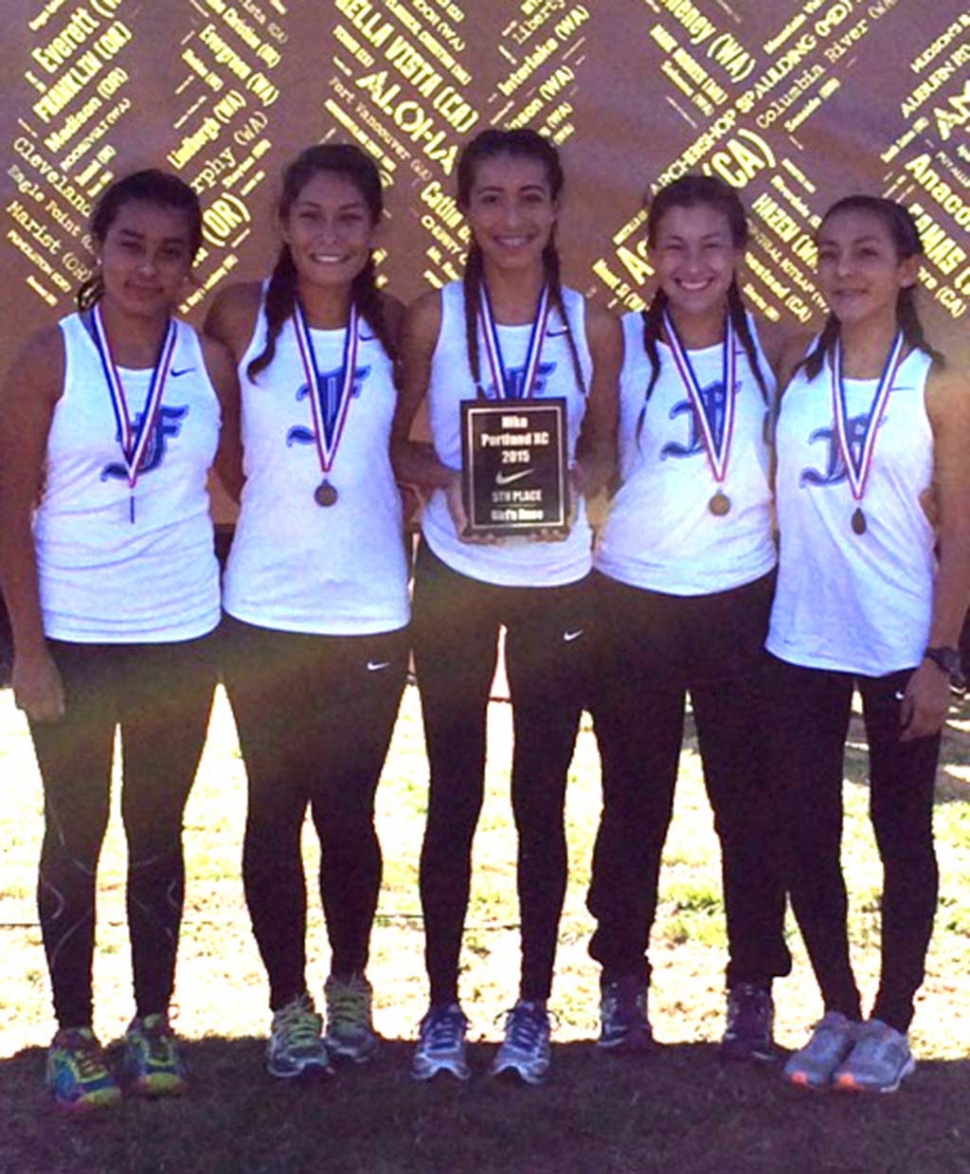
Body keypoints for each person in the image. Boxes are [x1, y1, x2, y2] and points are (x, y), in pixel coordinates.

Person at [0, 170, 238, 1111]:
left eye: (170, 251)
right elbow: (8, 510)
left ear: (190, 265)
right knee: (73, 828)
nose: (148, 266)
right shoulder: (48, 358)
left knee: (158, 830)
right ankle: (70, 1029)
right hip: (74, 631)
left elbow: (245, 477)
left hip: (182, 629)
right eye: (130, 244)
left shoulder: (206, 360)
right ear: (98, 248)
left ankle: (151, 1021)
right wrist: (29, 650)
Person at [392, 128, 620, 1084]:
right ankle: (442, 1003)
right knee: (453, 790)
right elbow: (398, 449)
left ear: (557, 208)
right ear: (466, 209)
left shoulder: (591, 322)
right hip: (454, 576)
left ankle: (531, 1003)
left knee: (540, 796)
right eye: (491, 198)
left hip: (556, 583)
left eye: (531, 198)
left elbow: (609, 455)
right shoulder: (435, 317)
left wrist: (576, 485)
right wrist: (450, 481)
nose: (512, 217)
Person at [205, 144, 409, 1080]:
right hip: (263, 607)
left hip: (369, 607)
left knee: (350, 811)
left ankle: (351, 982)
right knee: (274, 805)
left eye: (350, 219)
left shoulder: (399, 327)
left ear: (375, 231)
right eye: (313, 217)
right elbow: (207, 441)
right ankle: (288, 1001)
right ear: (282, 223)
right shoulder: (240, 316)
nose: (331, 236)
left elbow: (410, 452)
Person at [586, 175, 792, 1061]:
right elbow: (589, 456)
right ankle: (621, 981)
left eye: (712, 246)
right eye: (675, 246)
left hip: (743, 597)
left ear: (740, 254)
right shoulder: (619, 344)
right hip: (630, 596)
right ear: (650, 254)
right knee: (634, 801)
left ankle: (753, 987)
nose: (694, 263)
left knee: (748, 805)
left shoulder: (773, 344)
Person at [770, 196, 970, 1093]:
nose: (845, 270)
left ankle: (893, 1018)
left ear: (907, 270)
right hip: (801, 638)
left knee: (900, 833)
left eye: (866, 254)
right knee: (807, 831)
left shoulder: (942, 383)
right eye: (829, 253)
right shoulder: (793, 368)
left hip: (899, 641)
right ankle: (839, 1007)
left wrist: (941, 657)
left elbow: (964, 533)